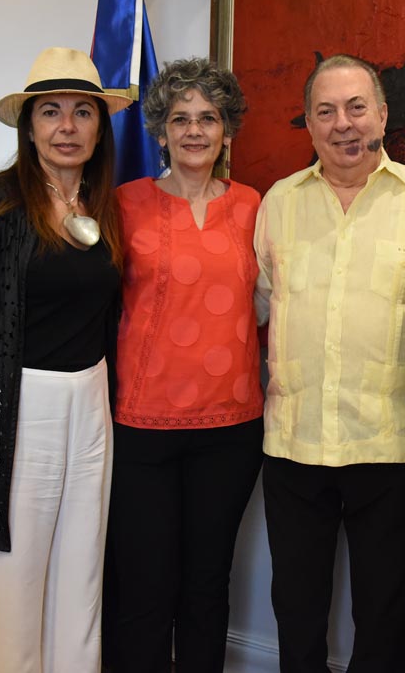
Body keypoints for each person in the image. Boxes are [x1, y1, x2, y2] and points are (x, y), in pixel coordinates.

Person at [0, 47, 129, 673]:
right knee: (14, 586)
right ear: (29, 125)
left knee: (81, 582)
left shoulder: (106, 204)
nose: (67, 127)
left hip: (91, 405)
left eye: (82, 112)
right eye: (50, 112)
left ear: (99, 127)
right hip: (18, 409)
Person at [253, 55, 405, 672]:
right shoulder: (279, 203)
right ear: (309, 123)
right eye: (326, 111)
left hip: (389, 445)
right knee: (296, 609)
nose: (343, 124)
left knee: (386, 613)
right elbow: (254, 306)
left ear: (383, 116)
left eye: (357, 107)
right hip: (294, 444)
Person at [104, 57, 263, 673]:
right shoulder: (124, 204)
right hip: (141, 428)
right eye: (180, 118)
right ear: (161, 131)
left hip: (231, 428)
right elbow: (83, 298)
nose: (195, 130)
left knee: (207, 583)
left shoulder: (254, 206)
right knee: (144, 586)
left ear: (227, 129)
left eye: (208, 118)